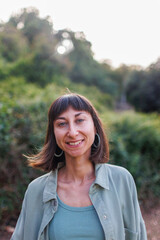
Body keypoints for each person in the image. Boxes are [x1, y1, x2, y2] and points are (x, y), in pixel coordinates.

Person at [11, 93, 147, 240]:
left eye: (80, 120)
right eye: (62, 123)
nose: (73, 132)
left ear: (95, 127)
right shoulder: (36, 191)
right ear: (54, 134)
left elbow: (138, 235)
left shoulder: (121, 180)